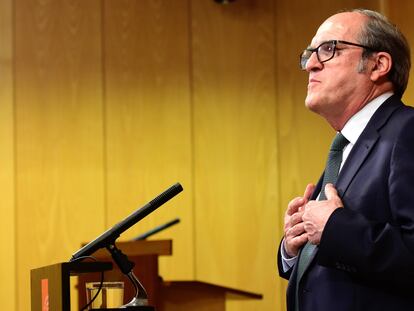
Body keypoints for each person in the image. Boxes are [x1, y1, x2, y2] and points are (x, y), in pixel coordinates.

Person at [277, 8, 414, 311]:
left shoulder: (407, 132)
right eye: (310, 53)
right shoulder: (346, 146)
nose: (310, 64)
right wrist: (294, 246)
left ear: (378, 64)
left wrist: (335, 228)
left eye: (329, 49)